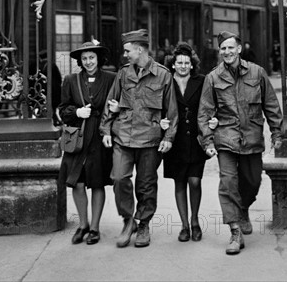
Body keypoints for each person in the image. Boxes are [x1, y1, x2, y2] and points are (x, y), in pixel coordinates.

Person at [197, 31, 284, 256]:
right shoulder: (213, 78)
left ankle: (243, 207)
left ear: (238, 49)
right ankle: (235, 231)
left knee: (253, 180)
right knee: (227, 183)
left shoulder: (257, 72)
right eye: (222, 48)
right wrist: (207, 139)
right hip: (226, 138)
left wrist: (277, 133)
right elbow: (204, 112)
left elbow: (271, 105)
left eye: (230, 47)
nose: (226, 52)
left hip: (252, 137)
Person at [100, 29, 178, 249]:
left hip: (150, 140)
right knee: (118, 178)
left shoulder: (163, 75)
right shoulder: (123, 74)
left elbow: (171, 112)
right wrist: (105, 130)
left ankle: (143, 223)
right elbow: (110, 101)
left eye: (127, 50)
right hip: (123, 136)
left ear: (140, 49)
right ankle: (128, 220)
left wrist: (169, 137)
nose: (124, 54)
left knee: (146, 185)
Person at [58, 40, 116, 245]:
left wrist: (115, 110)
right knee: (78, 181)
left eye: (92, 57)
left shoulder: (111, 78)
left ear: (98, 58)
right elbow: (62, 109)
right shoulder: (70, 80)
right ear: (80, 61)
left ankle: (95, 228)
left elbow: (119, 104)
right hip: (78, 137)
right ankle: (82, 225)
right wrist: (76, 112)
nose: (89, 62)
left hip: (100, 136)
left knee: (98, 182)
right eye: (84, 59)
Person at [162, 42, 217, 243]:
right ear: (173, 65)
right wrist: (161, 121)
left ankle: (195, 221)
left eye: (187, 63)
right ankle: (184, 226)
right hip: (175, 139)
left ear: (192, 65)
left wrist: (214, 119)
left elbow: (212, 104)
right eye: (179, 63)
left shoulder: (202, 81)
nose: (183, 66)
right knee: (179, 182)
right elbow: (160, 106)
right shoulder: (167, 82)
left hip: (195, 137)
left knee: (194, 181)